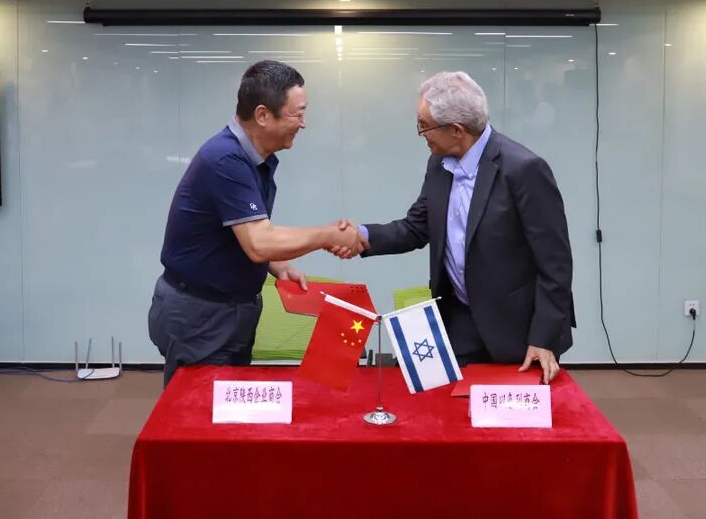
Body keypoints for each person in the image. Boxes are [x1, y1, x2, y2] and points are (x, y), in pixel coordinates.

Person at [340, 71, 574, 383]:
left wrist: (543, 337)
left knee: (508, 412)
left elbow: (556, 264)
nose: (421, 134)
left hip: (517, 328)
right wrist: (361, 236)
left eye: (424, 125)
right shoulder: (440, 163)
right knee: (436, 401)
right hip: (459, 319)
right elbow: (415, 227)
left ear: (456, 130)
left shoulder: (523, 170)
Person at [149, 60, 366, 385]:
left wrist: (277, 265)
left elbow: (237, 234)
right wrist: (329, 235)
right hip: (201, 317)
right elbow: (259, 242)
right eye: (297, 114)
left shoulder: (254, 158)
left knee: (229, 405)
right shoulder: (226, 159)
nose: (303, 123)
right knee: (201, 410)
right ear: (263, 115)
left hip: (226, 312)